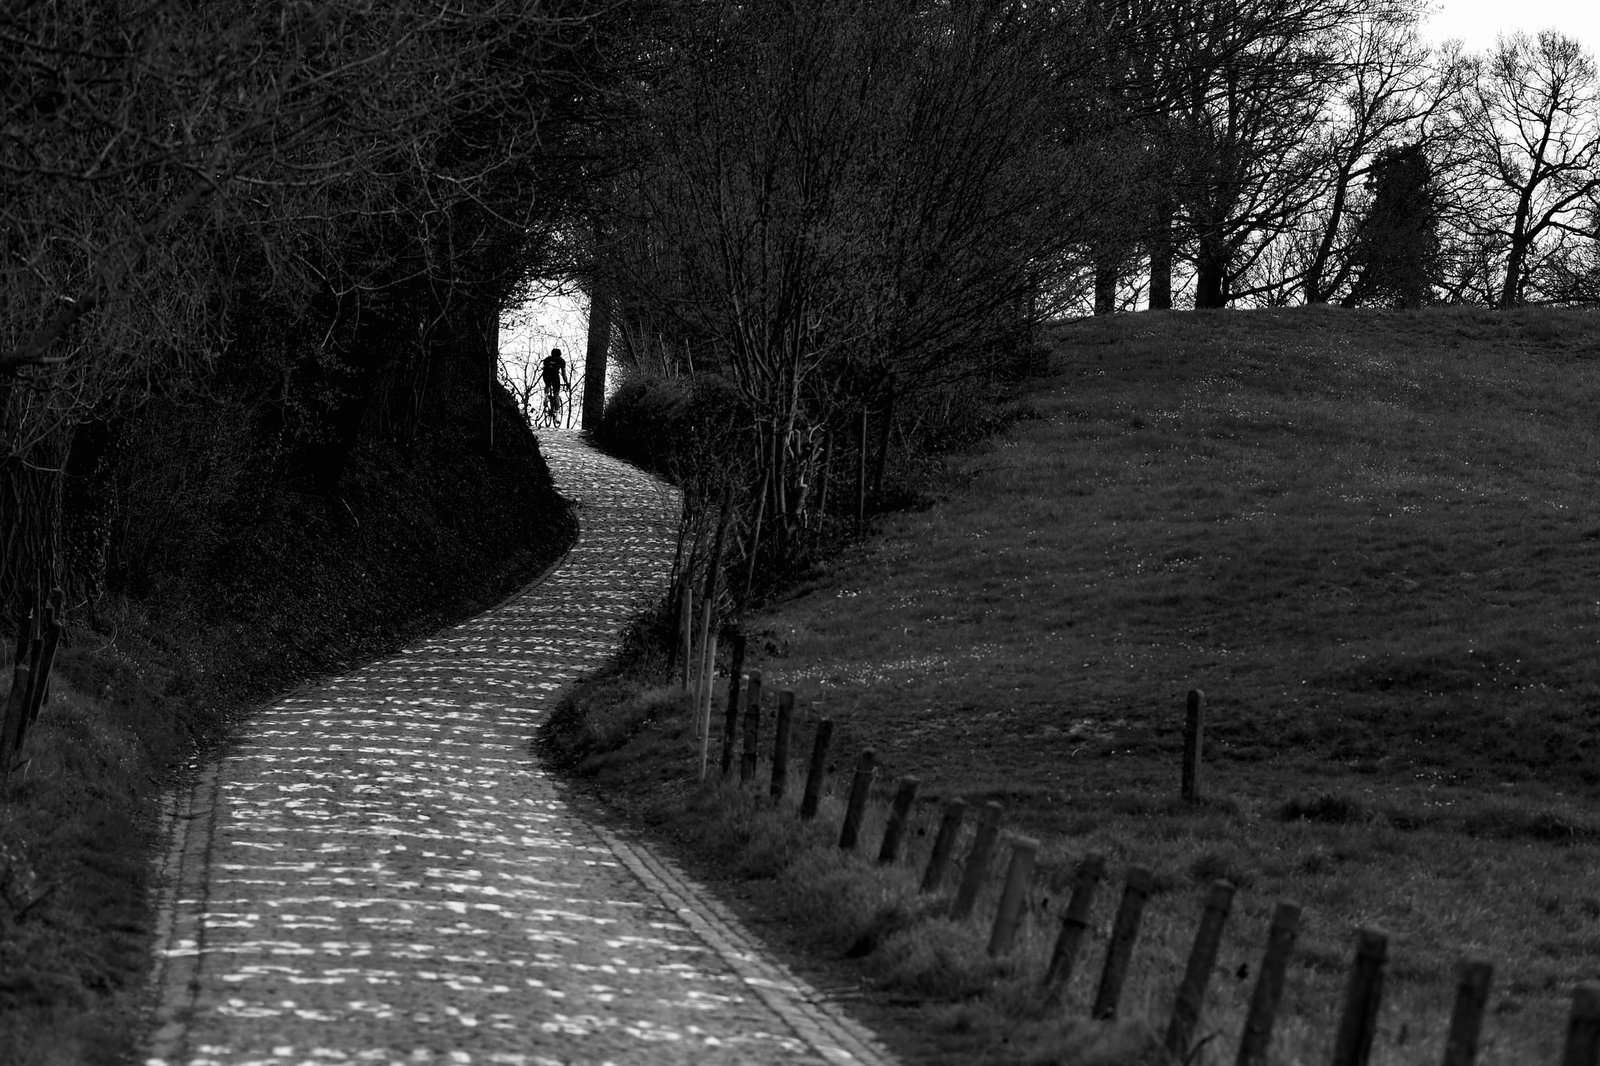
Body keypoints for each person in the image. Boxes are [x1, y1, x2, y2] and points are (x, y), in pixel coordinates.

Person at [540, 347, 568, 424]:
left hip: (546, 375)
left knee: (547, 385)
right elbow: (563, 374)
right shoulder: (561, 360)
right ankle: (557, 416)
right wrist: (567, 382)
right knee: (556, 395)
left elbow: (544, 368)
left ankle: (546, 396)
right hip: (555, 376)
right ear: (560, 354)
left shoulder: (547, 359)